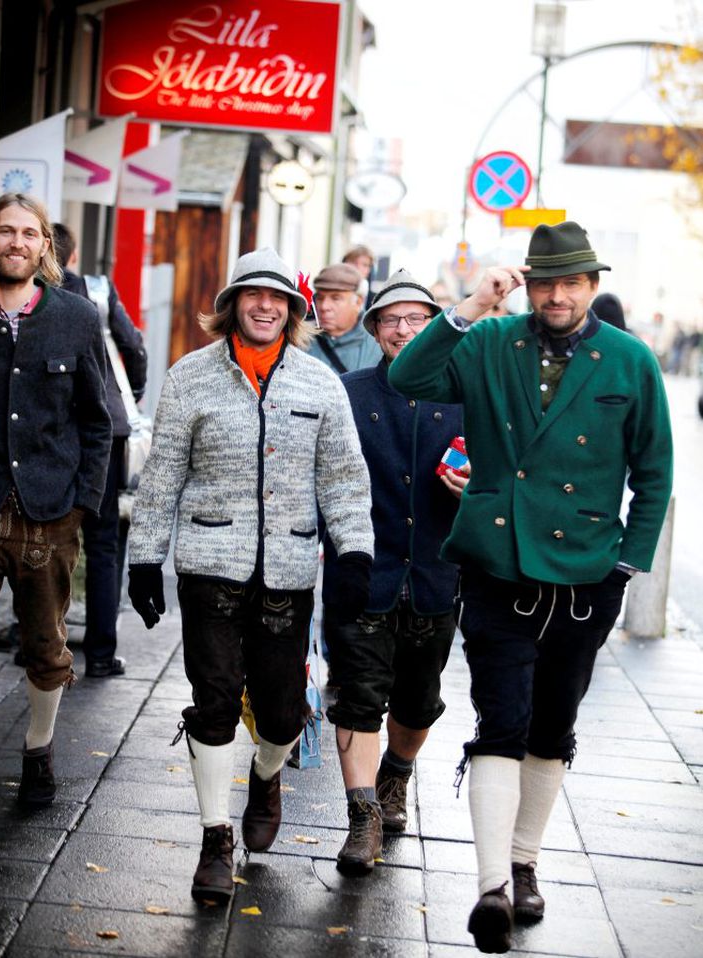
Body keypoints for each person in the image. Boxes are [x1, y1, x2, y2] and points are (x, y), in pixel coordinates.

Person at [388, 221, 673, 954]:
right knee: (500, 722)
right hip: (495, 565)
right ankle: (488, 887)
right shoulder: (487, 341)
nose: (556, 294)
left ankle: (523, 864)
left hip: (584, 576)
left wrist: (625, 565)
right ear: (527, 283)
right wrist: (464, 307)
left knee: (551, 728)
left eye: (571, 282)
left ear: (591, 286)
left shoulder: (629, 361)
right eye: (544, 281)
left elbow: (654, 473)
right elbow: (408, 379)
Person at [126, 248, 374, 905]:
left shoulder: (320, 385)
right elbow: (163, 474)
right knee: (212, 701)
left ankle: (266, 775)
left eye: (278, 298)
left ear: (293, 311)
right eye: (251, 295)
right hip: (209, 569)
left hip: (288, 572)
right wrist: (143, 557)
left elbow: (345, 479)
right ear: (232, 303)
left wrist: (355, 552)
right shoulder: (189, 376)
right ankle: (214, 840)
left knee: (282, 714)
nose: (264, 306)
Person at [322, 270, 466, 876]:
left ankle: (396, 776)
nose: (403, 330)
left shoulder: (465, 394)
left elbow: (501, 474)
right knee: (358, 695)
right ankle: (362, 818)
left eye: (416, 320)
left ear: (434, 327)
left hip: (436, 573)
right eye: (391, 320)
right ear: (374, 328)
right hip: (363, 571)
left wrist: (474, 488)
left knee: (418, 700)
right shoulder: (348, 392)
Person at [0, 193, 111, 808]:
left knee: (44, 643)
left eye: (28, 233)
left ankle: (38, 749)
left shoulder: (77, 317)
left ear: (44, 247)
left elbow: (98, 419)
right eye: (5, 230)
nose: (16, 242)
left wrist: (83, 503)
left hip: (51, 509)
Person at [53, 222, 147, 678]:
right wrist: (133, 393)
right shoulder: (98, 290)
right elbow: (135, 346)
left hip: (53, 431)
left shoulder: (27, 294)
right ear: (73, 257)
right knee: (105, 542)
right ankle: (102, 654)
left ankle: (37, 645)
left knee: (47, 538)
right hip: (108, 426)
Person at [306, 262, 382, 374]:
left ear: (358, 302)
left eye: (336, 298)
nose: (324, 306)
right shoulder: (301, 338)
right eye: (320, 298)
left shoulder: (379, 345)